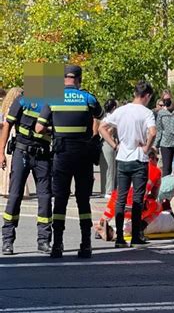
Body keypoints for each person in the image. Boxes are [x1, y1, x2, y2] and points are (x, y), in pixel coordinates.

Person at [35, 65, 103, 258]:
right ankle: (86, 244)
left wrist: (54, 130)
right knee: (83, 200)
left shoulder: (52, 99)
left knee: (60, 200)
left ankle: (57, 245)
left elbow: (39, 128)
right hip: (82, 155)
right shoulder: (88, 98)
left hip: (61, 155)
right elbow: (100, 115)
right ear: (79, 79)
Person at [100, 80, 156, 248]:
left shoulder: (121, 111)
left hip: (123, 157)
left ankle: (119, 238)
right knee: (138, 198)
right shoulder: (147, 113)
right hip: (139, 158)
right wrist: (146, 147)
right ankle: (136, 235)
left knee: (121, 198)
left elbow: (102, 127)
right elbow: (153, 132)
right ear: (146, 96)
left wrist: (115, 145)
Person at [1, 90, 53, 255]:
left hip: (43, 155)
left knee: (45, 197)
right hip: (21, 152)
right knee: (15, 196)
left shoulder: (52, 102)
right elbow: (7, 124)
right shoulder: (22, 100)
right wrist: (1, 151)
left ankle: (44, 240)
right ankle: (7, 240)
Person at [0, 87, 22, 197]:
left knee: (9, 162)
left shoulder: (6, 108)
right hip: (13, 135)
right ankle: (10, 188)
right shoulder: (14, 108)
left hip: (9, 135)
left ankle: (5, 188)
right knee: (12, 163)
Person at [99, 98, 118, 199]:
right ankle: (109, 191)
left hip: (102, 144)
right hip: (109, 142)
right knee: (110, 168)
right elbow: (108, 131)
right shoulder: (111, 118)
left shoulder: (103, 117)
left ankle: (104, 189)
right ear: (114, 107)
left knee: (104, 167)